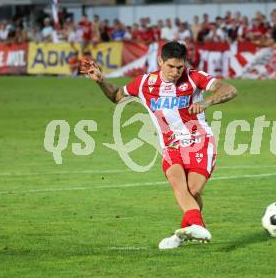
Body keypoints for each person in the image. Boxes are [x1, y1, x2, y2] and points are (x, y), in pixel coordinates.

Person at [80, 41, 238, 249]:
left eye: (179, 67)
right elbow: (117, 96)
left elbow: (230, 89)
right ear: (160, 61)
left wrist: (206, 102)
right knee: (177, 182)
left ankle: (182, 234)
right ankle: (197, 225)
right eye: (170, 66)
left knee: (194, 190)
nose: (175, 72)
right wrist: (101, 80)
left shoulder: (193, 77)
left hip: (199, 141)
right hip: (171, 145)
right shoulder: (144, 83)